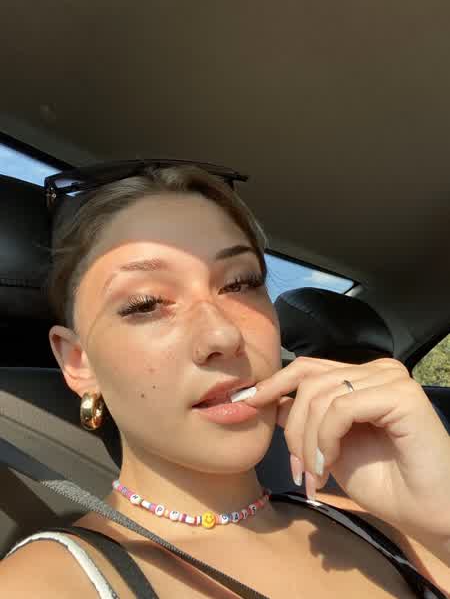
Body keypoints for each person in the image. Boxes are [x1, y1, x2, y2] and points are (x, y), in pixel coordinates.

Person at [1, 161, 449, 598]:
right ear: (79, 362)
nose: (223, 335)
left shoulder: (380, 525)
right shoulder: (44, 586)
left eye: (241, 283)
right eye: (146, 303)